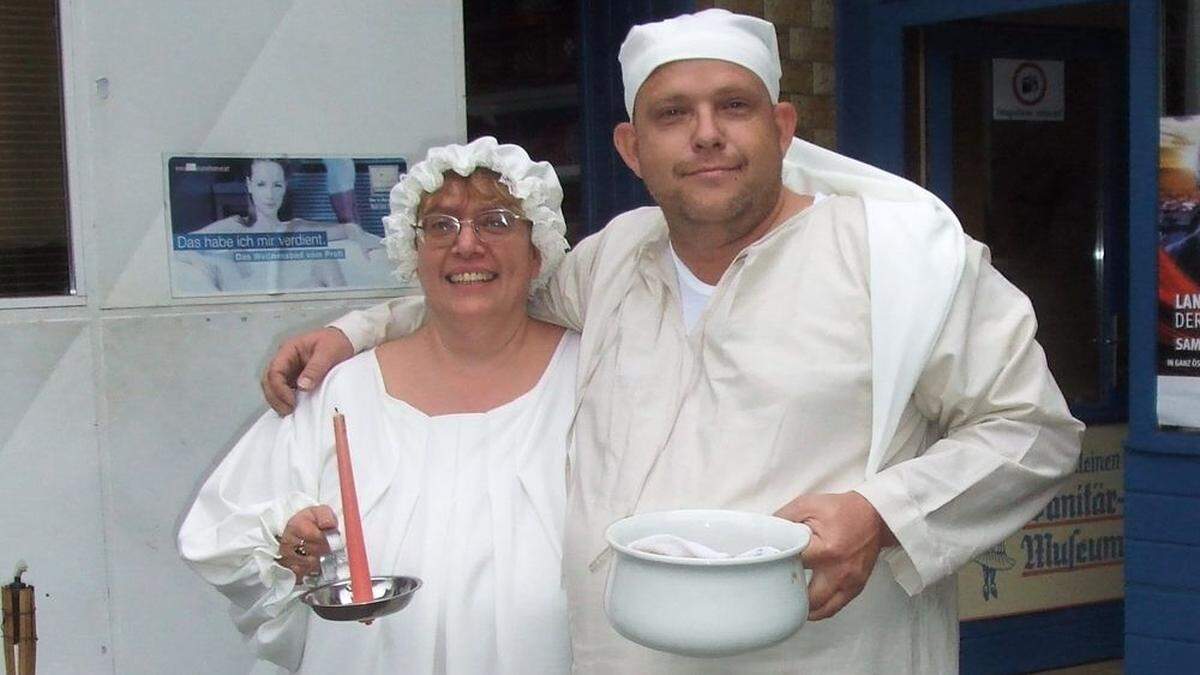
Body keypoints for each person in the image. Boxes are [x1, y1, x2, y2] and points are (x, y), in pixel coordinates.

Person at [261, 10, 1083, 674]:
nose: (706, 133)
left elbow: (1031, 430)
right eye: (672, 114)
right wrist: (354, 330)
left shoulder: (900, 260)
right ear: (632, 148)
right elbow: (492, 296)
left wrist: (881, 513)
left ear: (783, 125)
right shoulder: (614, 257)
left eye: (734, 105)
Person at [178, 137, 575, 674]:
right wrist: (288, 551)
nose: (466, 246)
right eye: (441, 225)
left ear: (538, 251)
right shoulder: (341, 395)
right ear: (412, 253)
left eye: (497, 221)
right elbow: (226, 535)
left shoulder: (591, 382)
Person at [173, 157, 385, 294]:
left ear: (284, 187)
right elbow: (182, 245)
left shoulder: (294, 227)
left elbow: (347, 229)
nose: (269, 195)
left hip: (290, 305)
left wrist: (364, 239)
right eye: (261, 185)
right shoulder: (234, 227)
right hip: (245, 306)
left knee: (324, 260)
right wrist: (206, 264)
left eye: (277, 185)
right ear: (250, 186)